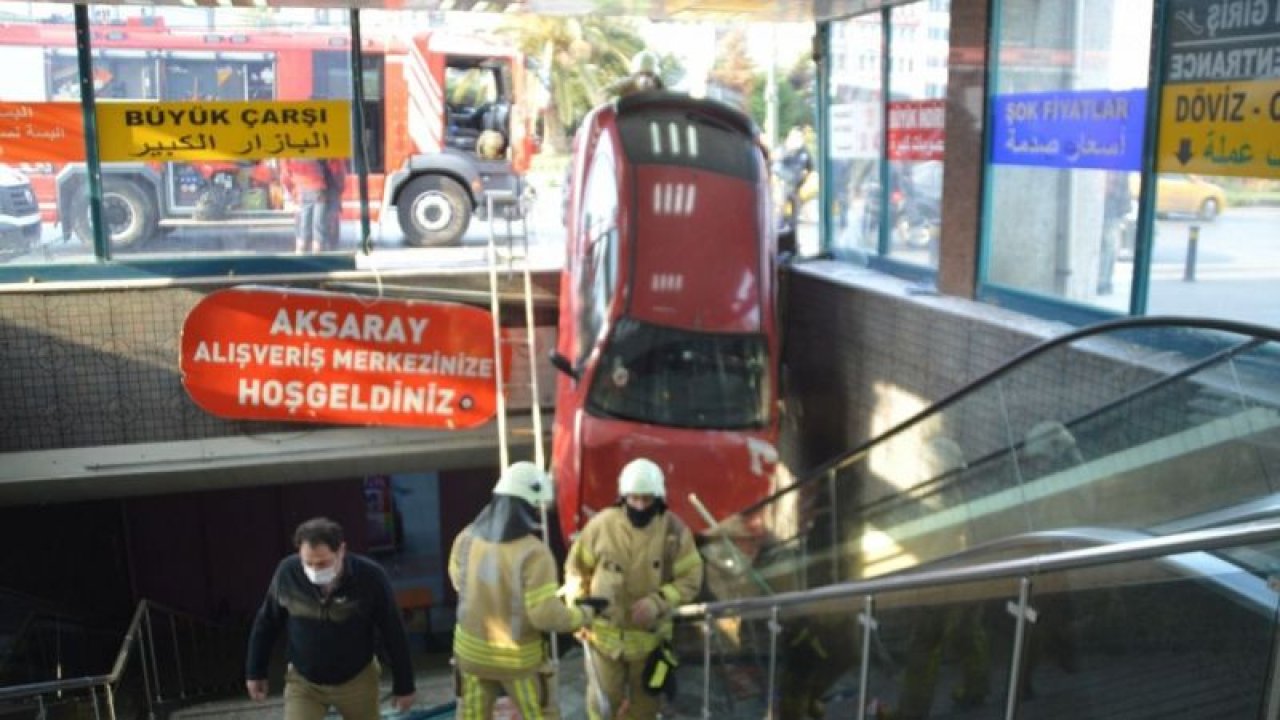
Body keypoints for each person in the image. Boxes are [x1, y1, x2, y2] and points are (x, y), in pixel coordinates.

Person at [449, 461, 594, 720]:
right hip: (517, 662)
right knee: (539, 713)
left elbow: (459, 583)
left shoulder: (466, 538)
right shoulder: (534, 553)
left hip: (469, 656)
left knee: (470, 715)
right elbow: (544, 616)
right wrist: (584, 614)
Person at [564, 458, 704, 720]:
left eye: (647, 500)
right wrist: (577, 611)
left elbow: (691, 578)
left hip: (649, 642)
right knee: (603, 703)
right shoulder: (601, 526)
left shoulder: (673, 531)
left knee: (646, 707)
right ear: (623, 496)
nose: (639, 506)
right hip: (604, 638)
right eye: (634, 499)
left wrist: (658, 601)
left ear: (659, 498)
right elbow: (576, 569)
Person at [245, 517, 416, 720]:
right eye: (308, 563)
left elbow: (393, 630)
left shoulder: (370, 577)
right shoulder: (287, 573)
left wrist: (404, 685)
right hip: (305, 682)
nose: (315, 570)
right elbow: (267, 622)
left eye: (323, 563)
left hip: (357, 680)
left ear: (341, 551)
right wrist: (255, 671)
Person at [282, 157, 346, 253]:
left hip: (301, 191)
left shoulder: (290, 151)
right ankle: (318, 261)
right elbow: (338, 173)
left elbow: (285, 175)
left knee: (302, 235)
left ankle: (299, 262)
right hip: (322, 191)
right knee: (319, 234)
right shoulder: (329, 148)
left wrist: (293, 193)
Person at [1098, 170, 1132, 295]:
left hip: (1110, 209)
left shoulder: (1114, 166)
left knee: (1108, 246)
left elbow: (1110, 187)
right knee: (1109, 246)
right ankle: (1104, 281)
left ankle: (1103, 281)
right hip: (1113, 209)